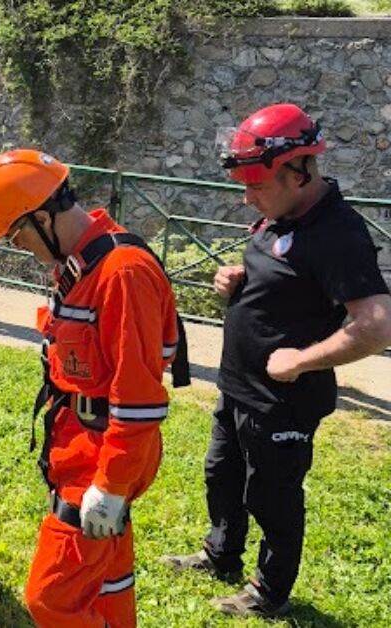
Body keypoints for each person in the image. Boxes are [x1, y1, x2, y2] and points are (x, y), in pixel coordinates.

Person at [159, 103, 391, 618]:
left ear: (300, 170)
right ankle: (220, 555)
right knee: (221, 473)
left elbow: (376, 324)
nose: (248, 198)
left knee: (272, 496)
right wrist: (233, 277)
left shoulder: (340, 234)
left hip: (285, 400)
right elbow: (277, 270)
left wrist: (303, 360)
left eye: (257, 187)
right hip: (238, 384)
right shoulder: (280, 212)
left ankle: (269, 591)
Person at [0, 149, 185, 627]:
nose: (19, 245)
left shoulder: (120, 274)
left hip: (102, 455)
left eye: (17, 233)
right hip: (85, 444)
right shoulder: (83, 264)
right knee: (107, 578)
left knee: (50, 598)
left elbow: (138, 400)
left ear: (43, 217)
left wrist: (110, 485)